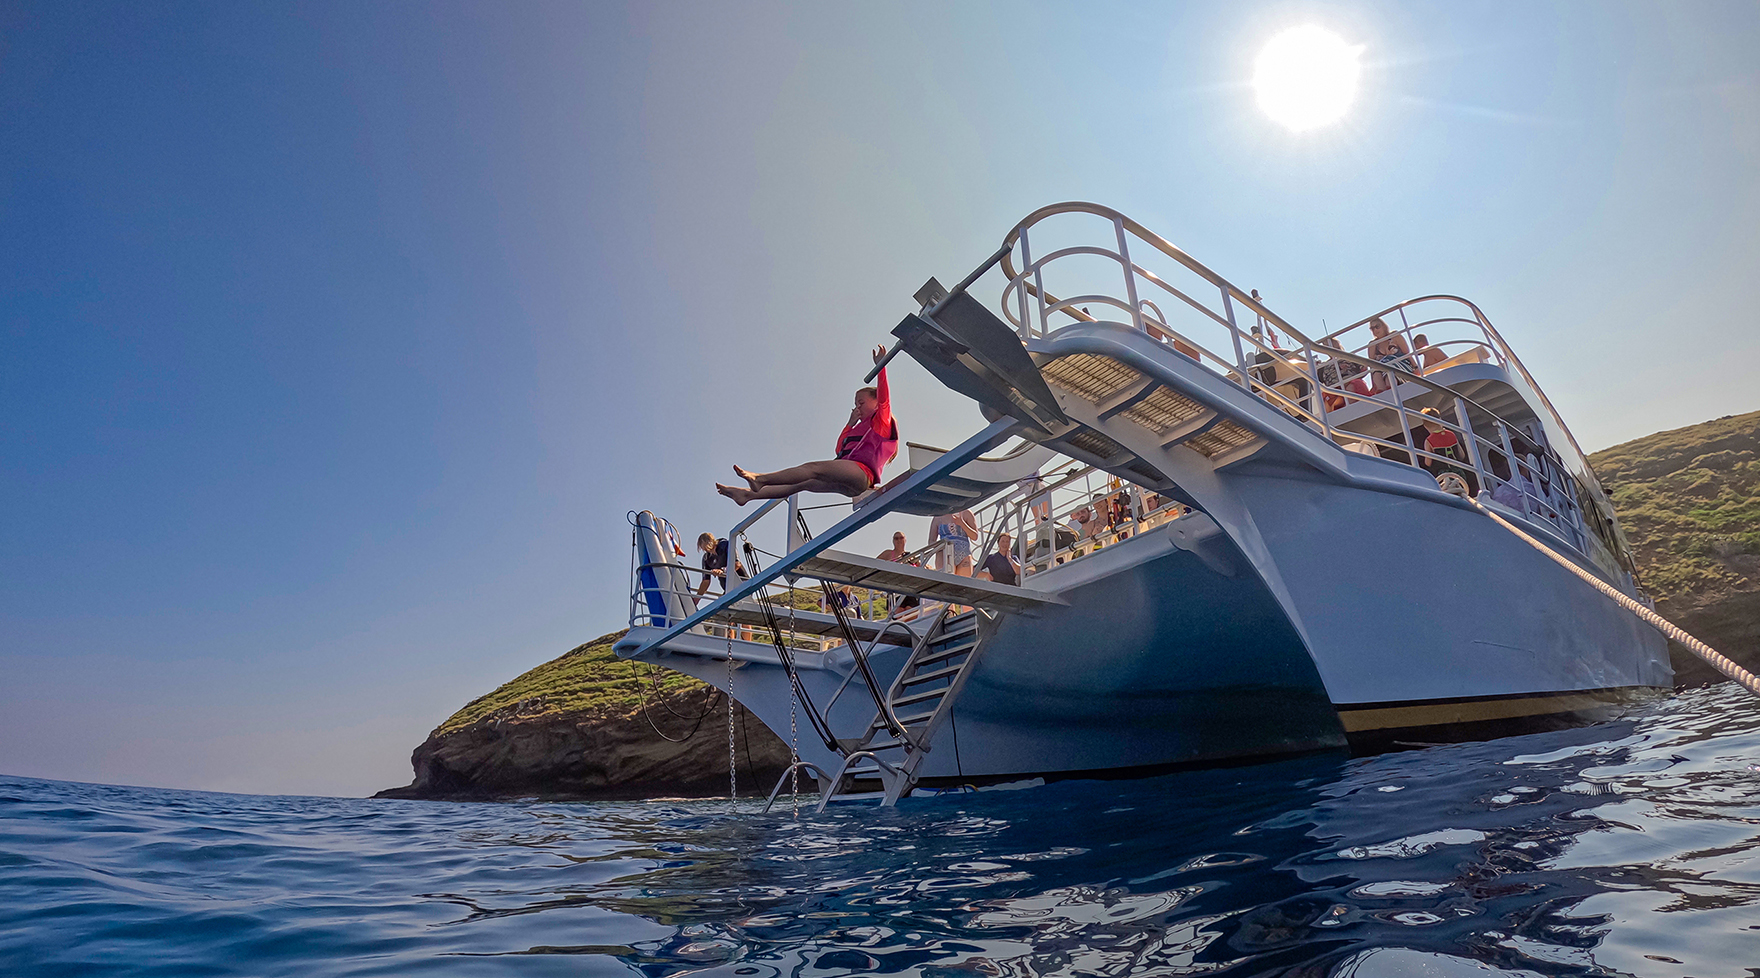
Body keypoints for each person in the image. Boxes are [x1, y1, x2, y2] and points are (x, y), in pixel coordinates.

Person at [718, 345, 897, 504]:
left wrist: (881, 368)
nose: (857, 406)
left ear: (874, 402)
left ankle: (760, 478)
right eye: (856, 403)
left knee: (812, 468)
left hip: (861, 474)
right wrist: (849, 424)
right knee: (803, 483)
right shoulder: (860, 427)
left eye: (861, 402)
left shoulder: (882, 420)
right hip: (851, 482)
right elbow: (839, 451)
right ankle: (747, 495)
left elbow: (884, 399)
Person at [1366, 317, 1415, 394]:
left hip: (1401, 365)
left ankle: (1390, 388)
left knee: (1388, 366)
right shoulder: (1372, 345)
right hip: (1383, 369)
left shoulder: (1394, 336)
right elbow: (1372, 365)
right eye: (1372, 328)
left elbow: (1407, 353)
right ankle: (1381, 391)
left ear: (1383, 326)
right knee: (1377, 369)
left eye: (1377, 326)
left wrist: (1415, 366)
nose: (1375, 330)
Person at [694, 532, 747, 599]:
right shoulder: (707, 558)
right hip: (728, 589)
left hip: (742, 583)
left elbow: (737, 564)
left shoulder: (725, 545)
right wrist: (696, 599)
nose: (704, 549)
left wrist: (722, 570)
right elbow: (706, 581)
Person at [929, 509, 978, 576]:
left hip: (963, 553)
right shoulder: (937, 517)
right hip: (944, 553)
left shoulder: (966, 513)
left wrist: (962, 523)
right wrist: (942, 546)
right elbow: (931, 541)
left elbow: (975, 536)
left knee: (964, 583)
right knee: (946, 581)